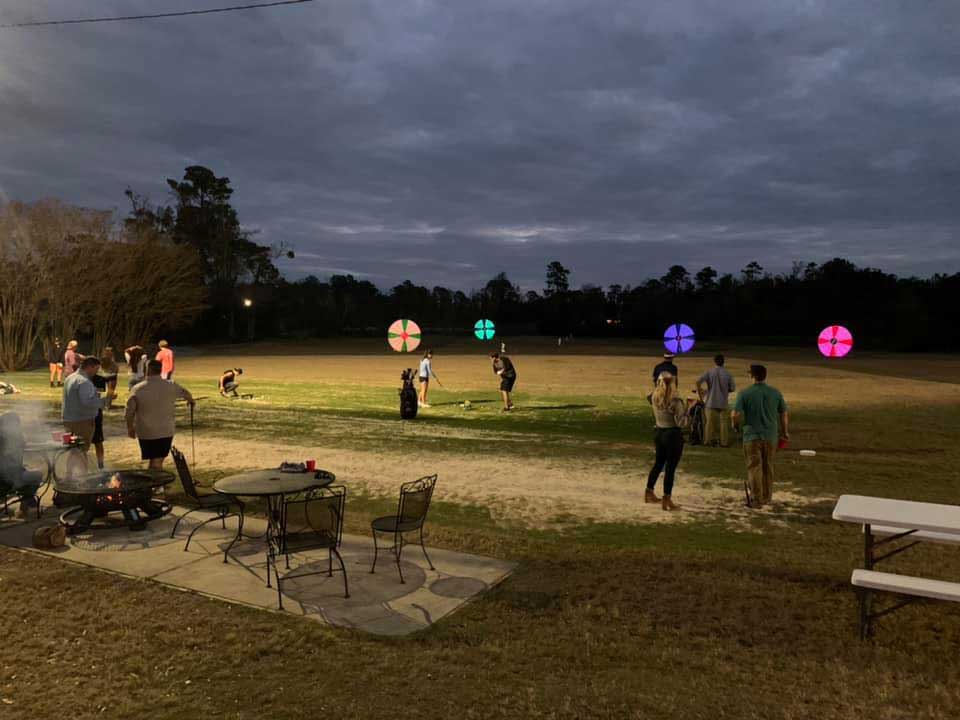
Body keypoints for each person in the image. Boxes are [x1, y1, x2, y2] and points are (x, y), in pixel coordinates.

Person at [732, 364, 789, 508]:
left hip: (752, 436)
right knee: (768, 467)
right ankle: (767, 497)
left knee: (754, 468)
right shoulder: (775, 392)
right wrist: (785, 432)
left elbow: (735, 414)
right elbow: (783, 413)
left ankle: (756, 499)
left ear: (752, 376)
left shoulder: (745, 393)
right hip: (770, 436)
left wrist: (735, 426)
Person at [126, 359, 194, 470]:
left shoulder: (137, 389)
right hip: (165, 430)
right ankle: (157, 485)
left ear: (147, 370)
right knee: (157, 460)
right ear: (160, 370)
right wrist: (191, 401)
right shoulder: (171, 385)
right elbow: (187, 393)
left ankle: (155, 484)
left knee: (154, 459)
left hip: (145, 431)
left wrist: (130, 427)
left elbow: (129, 411)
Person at [646, 372, 688, 511]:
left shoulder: (654, 396)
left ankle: (649, 492)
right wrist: (689, 409)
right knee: (670, 468)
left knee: (658, 464)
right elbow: (681, 422)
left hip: (659, 432)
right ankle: (667, 499)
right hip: (672, 435)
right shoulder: (675, 400)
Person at [0, 413, 42, 518]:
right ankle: (26, 505)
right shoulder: (14, 438)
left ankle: (28, 502)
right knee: (38, 475)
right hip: (9, 480)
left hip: (4, 478)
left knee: (25, 472)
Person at [62, 356, 104, 453]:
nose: (96, 372)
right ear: (90, 367)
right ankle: (80, 468)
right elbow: (87, 402)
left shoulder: (70, 378)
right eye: (96, 369)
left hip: (69, 419)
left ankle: (72, 468)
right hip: (82, 422)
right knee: (81, 451)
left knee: (73, 450)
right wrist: (105, 401)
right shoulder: (84, 381)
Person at [697, 354, 736, 448]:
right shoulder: (728, 374)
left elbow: (698, 382)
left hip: (711, 401)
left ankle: (707, 441)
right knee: (723, 423)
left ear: (714, 361)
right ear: (723, 362)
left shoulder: (709, 372)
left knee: (709, 423)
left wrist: (701, 395)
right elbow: (732, 388)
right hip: (723, 402)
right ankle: (724, 443)